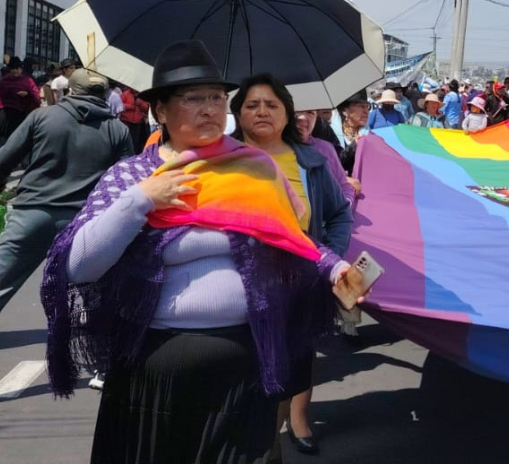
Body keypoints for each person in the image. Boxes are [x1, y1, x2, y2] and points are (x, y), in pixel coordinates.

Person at [41, 41, 370, 463]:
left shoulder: (255, 169)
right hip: (153, 370)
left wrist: (334, 269)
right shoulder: (135, 174)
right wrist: (142, 200)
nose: (210, 108)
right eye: (193, 98)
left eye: (217, 97)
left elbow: (294, 240)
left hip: (244, 367)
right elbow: (79, 265)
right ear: (161, 110)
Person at [231, 74, 353, 457]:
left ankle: (273, 443)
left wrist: (325, 257)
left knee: (291, 369)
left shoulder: (312, 161)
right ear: (237, 114)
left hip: (298, 286)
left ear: (287, 114)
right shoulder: (219, 159)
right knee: (244, 377)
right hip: (236, 290)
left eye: (272, 105)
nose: (262, 112)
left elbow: (339, 215)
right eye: (252, 105)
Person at [0, 68, 132, 317]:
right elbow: (125, 179)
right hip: (84, 222)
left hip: (32, 213)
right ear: (104, 94)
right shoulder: (118, 129)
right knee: (90, 290)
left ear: (70, 90)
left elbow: (5, 159)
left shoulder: (42, 117)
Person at [0, 56, 42, 140]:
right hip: (4, 114)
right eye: (13, 68)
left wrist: (27, 94)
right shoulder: (4, 81)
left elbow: (36, 95)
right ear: (9, 69)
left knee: (15, 138)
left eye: (18, 68)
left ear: (21, 69)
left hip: (20, 113)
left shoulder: (28, 81)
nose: (15, 71)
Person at [335, 92, 370, 176]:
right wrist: (355, 144)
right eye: (360, 106)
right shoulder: (332, 134)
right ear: (345, 111)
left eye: (367, 106)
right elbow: (334, 165)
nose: (366, 111)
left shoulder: (368, 133)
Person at [119, 85, 151, 152]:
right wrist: (131, 107)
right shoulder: (125, 94)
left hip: (137, 123)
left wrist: (140, 103)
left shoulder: (142, 95)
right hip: (126, 121)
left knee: (135, 141)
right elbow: (120, 105)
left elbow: (146, 109)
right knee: (124, 139)